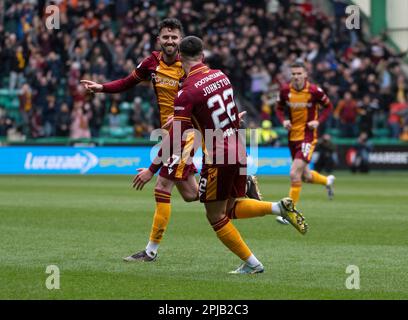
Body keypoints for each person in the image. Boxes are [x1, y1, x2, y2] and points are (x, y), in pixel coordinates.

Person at [80, 18, 262, 262]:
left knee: (161, 185)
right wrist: (101, 88)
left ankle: (150, 251)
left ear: (180, 40)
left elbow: (207, 94)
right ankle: (237, 187)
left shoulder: (188, 66)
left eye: (174, 37)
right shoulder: (151, 63)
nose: (170, 41)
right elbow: (128, 82)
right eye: (165, 37)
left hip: (186, 132)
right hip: (171, 131)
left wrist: (152, 168)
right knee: (190, 194)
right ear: (158, 39)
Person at [133, 36, 308, 274]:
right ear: (203, 56)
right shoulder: (221, 76)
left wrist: (151, 169)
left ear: (181, 58)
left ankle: (253, 264)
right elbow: (227, 114)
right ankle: (278, 207)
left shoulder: (186, 92)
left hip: (218, 155)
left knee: (215, 216)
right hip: (238, 148)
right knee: (227, 206)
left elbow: (177, 136)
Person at [276, 61, 335, 209]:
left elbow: (328, 107)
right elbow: (278, 108)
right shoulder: (285, 91)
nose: (296, 76)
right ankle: (327, 181)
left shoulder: (314, 91)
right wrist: (284, 121)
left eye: (299, 73)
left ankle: (290, 211)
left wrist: (318, 121)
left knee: (294, 174)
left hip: (308, 136)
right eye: (293, 74)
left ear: (305, 74)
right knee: (305, 176)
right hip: (292, 136)